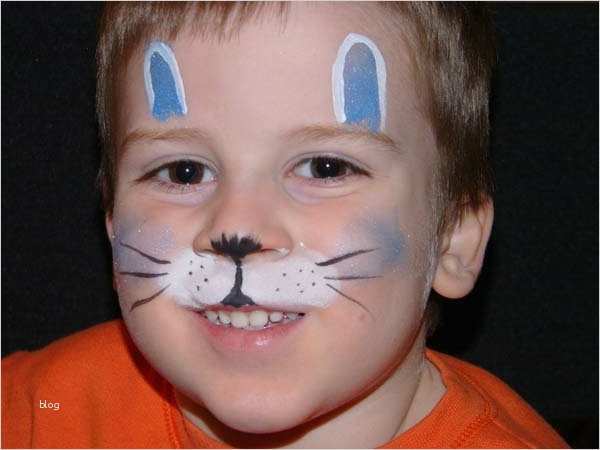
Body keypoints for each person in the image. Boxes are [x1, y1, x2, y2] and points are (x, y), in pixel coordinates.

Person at [2, 3, 569, 448]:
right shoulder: (33, 414)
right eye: (183, 171)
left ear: (454, 238)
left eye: (326, 168)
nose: (237, 230)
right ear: (111, 222)